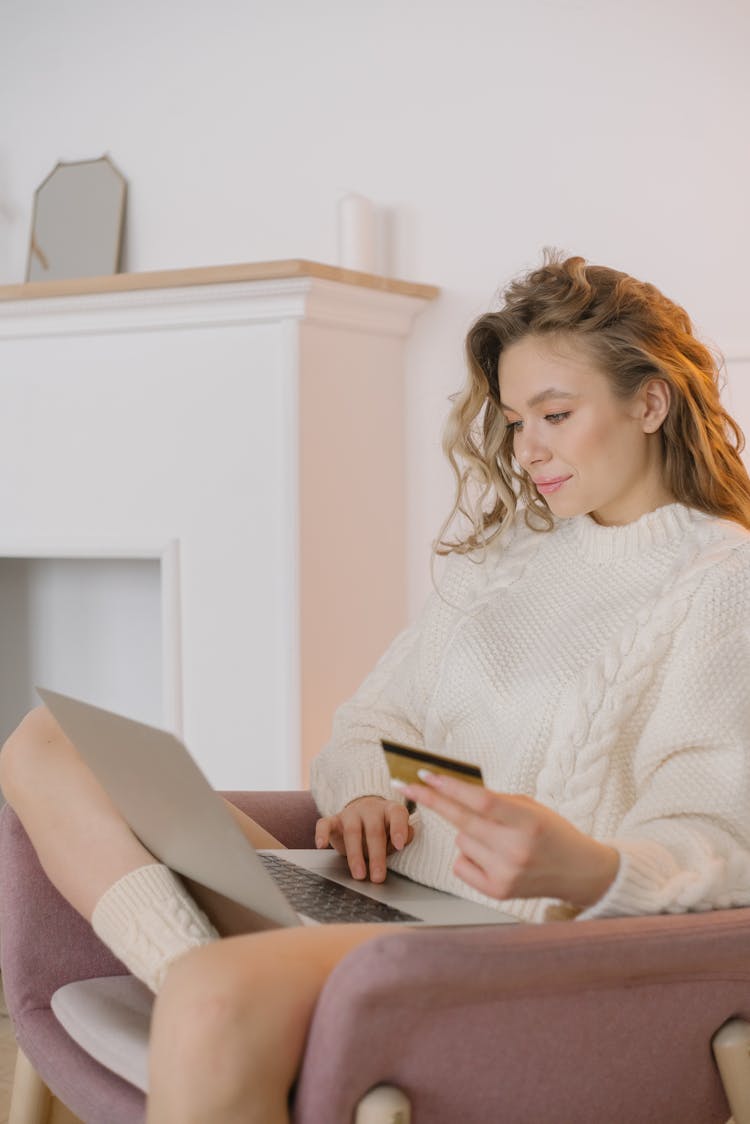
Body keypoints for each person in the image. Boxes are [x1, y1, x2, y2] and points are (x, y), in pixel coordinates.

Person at [3, 252, 750, 1123]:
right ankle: (227, 990)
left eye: (555, 414)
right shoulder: (510, 562)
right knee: (43, 741)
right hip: (366, 894)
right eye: (514, 421)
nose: (529, 448)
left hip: (500, 952)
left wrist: (579, 866)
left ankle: (223, 1000)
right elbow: (369, 722)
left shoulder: (720, 579)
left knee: (216, 988)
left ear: (649, 402)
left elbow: (718, 837)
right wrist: (362, 792)